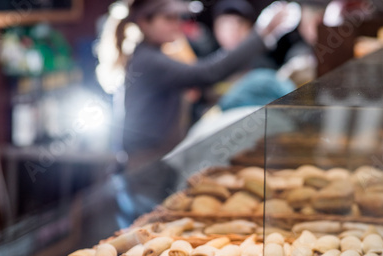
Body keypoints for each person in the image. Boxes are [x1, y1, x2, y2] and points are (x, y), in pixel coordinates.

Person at [97, 0, 297, 170]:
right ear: (144, 22)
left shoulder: (152, 55)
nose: (177, 24)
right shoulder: (148, 60)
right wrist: (262, 34)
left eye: (178, 17)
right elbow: (208, 73)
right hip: (147, 161)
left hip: (154, 158)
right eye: (168, 18)